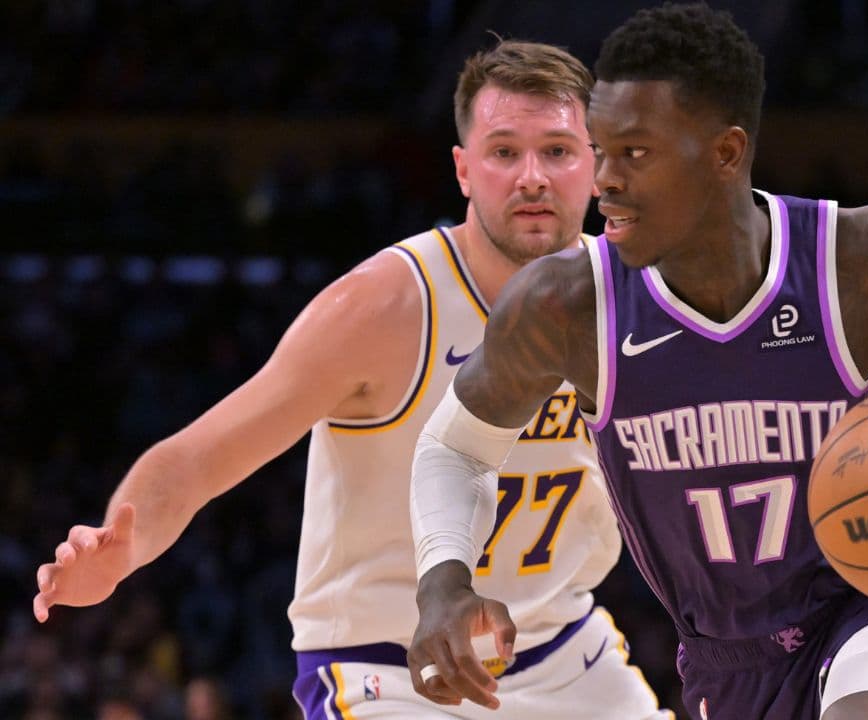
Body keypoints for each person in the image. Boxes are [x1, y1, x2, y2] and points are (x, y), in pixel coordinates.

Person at [406, 5, 868, 719]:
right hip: (733, 655)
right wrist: (443, 581)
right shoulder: (567, 303)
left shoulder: (866, 258)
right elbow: (454, 447)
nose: (603, 181)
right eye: (599, 151)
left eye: (636, 153)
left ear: (724, 152)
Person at [31, 41, 671, 720]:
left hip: (562, 651)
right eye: (505, 152)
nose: (532, 177)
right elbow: (198, 458)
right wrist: (121, 546)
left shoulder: (639, 294)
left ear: (596, 162)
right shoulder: (385, 306)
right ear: (463, 170)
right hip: (390, 668)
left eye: (557, 151)